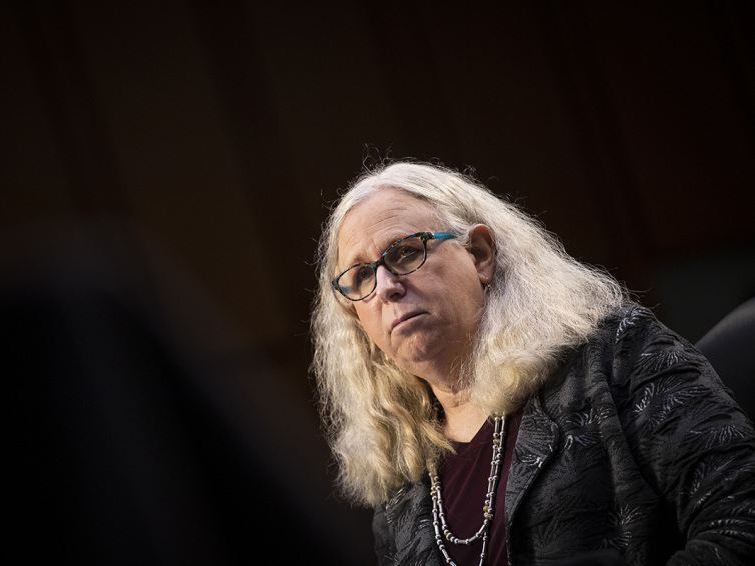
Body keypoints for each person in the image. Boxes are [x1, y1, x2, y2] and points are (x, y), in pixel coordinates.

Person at [310, 161, 755, 566]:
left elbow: (741, 523)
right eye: (362, 275)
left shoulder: (614, 355)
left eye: (405, 251)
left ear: (480, 255)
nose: (385, 286)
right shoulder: (400, 485)